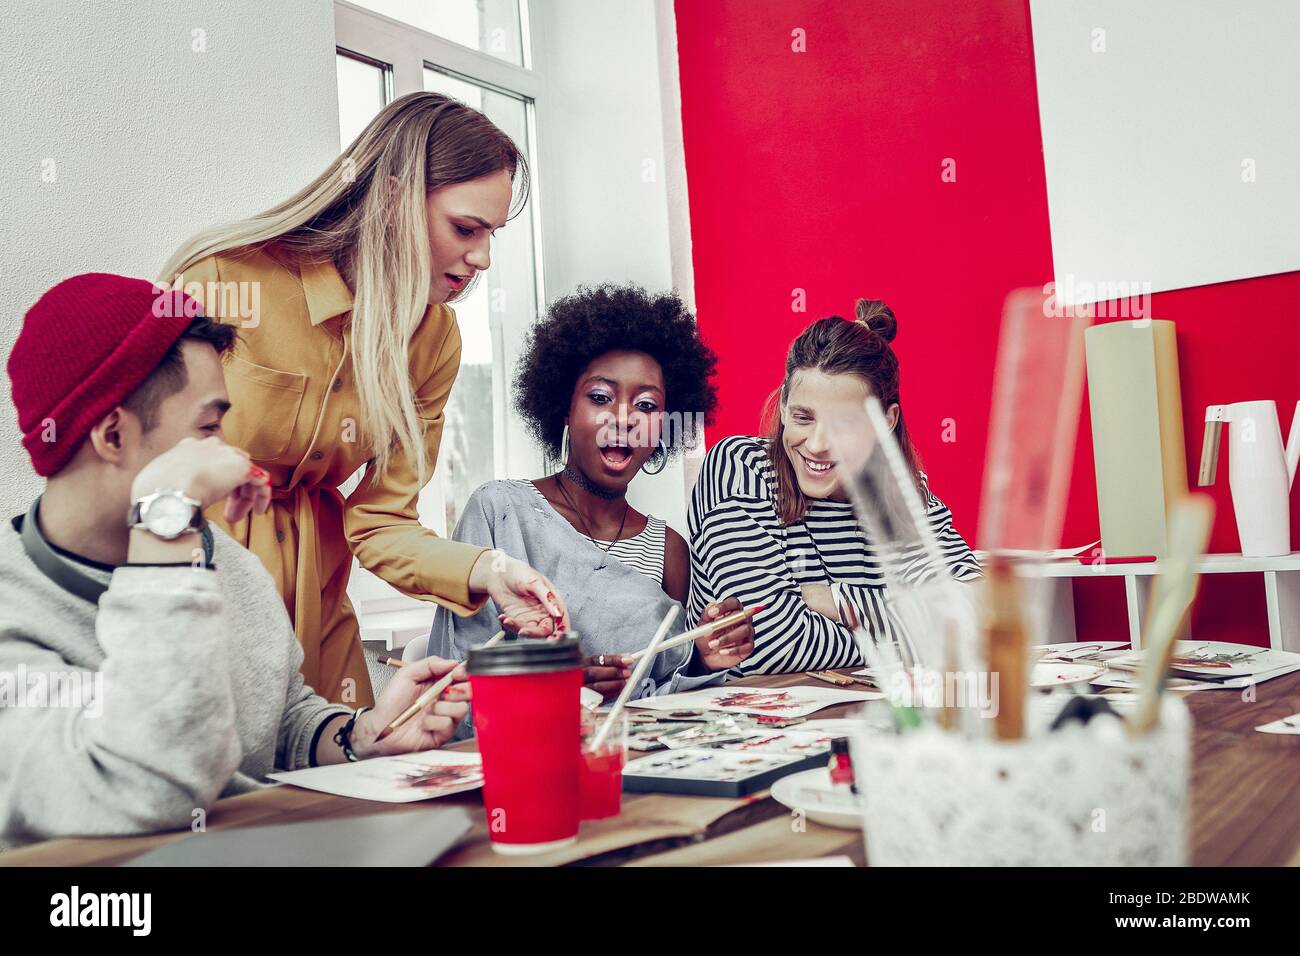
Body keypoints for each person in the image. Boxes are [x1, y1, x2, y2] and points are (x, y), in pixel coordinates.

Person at [0, 274, 472, 848]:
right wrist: (164, 519)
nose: (228, 454)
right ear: (112, 436)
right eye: (208, 428)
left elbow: (279, 718)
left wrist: (359, 737)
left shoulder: (225, 563)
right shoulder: (16, 611)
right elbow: (153, 786)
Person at [158, 92, 566, 707]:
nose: (482, 258)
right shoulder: (225, 278)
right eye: (466, 228)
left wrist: (491, 570)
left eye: (492, 235)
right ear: (397, 197)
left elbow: (381, 522)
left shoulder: (433, 340)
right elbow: (146, 473)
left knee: (340, 783)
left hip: (320, 619)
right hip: (198, 592)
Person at [429, 285, 754, 711]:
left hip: (632, 760)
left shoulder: (669, 549)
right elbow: (461, 674)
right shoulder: (499, 512)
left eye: (647, 405)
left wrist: (704, 658)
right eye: (600, 397)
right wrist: (565, 684)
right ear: (563, 408)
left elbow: (665, 689)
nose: (623, 418)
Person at [687, 299, 981, 675]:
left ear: (885, 421)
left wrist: (834, 600)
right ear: (784, 406)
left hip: (874, 722)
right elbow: (772, 645)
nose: (816, 444)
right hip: (764, 725)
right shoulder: (741, 469)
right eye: (802, 417)